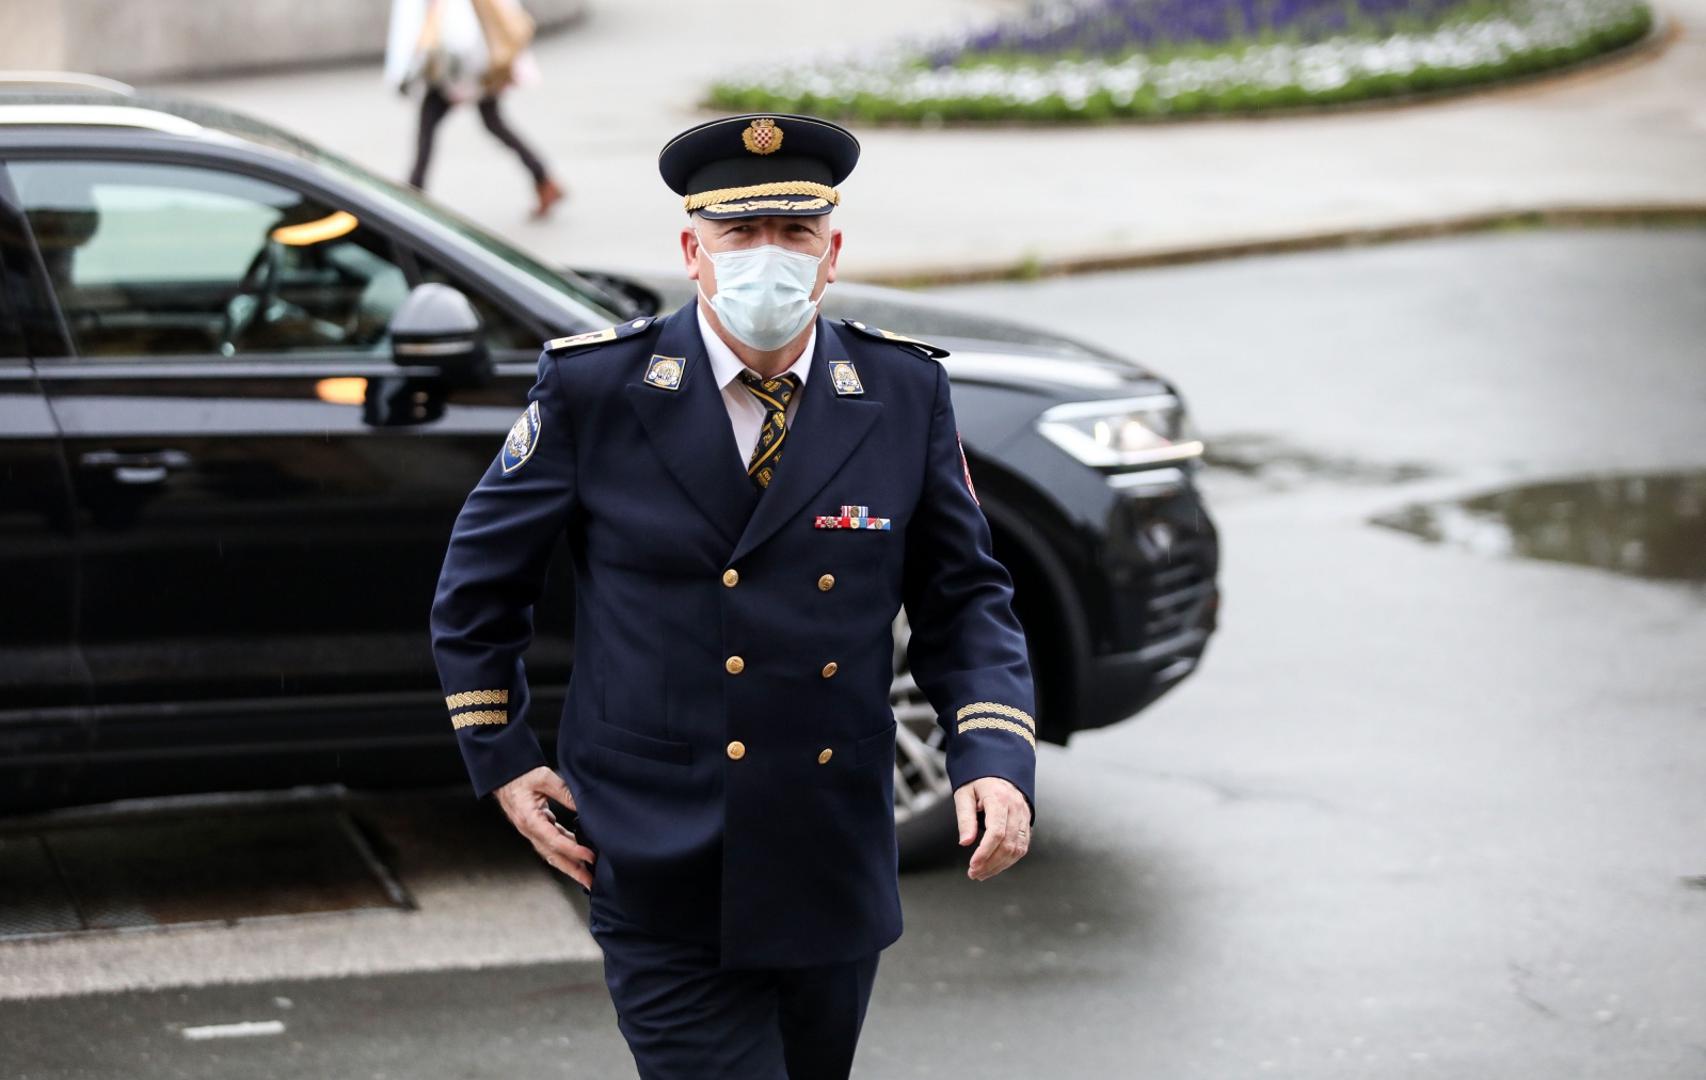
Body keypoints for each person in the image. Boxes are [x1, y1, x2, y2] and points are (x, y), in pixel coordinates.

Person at [430, 113, 1037, 1080]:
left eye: (794, 235)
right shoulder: (597, 388)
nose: (768, 258)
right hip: (659, 846)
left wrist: (995, 752)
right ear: (693, 250)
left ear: (831, 253)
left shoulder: (900, 389)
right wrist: (500, 755)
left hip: (829, 851)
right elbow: (478, 586)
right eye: (738, 234)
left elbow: (965, 598)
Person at [384, 0, 565, 218]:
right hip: (474, 65)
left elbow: (458, 32)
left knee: (431, 124)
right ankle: (543, 178)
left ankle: (414, 194)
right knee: (492, 123)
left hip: (464, 68)